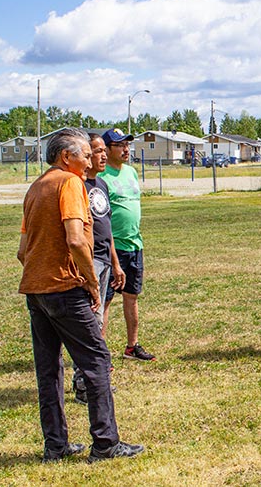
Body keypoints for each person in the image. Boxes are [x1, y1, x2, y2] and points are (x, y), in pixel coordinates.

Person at [17, 127, 144, 463]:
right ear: (66, 157)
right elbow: (75, 239)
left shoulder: (35, 187)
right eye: (85, 155)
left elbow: (22, 251)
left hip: (36, 289)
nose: (90, 162)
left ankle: (55, 446)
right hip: (66, 289)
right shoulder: (70, 183)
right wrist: (89, 281)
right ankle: (105, 443)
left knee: (48, 370)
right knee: (97, 360)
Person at [72, 133, 126, 404]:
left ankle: (94, 381)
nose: (103, 155)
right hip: (89, 261)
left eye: (104, 150)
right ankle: (85, 385)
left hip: (105, 260)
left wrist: (115, 263)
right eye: (96, 151)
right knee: (88, 325)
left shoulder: (101, 184)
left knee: (99, 321)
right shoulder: (77, 185)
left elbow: (107, 227)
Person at [98, 128, 156, 362]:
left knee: (131, 296)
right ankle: (100, 354)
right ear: (106, 149)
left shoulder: (131, 172)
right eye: (120, 145)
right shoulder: (101, 177)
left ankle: (132, 347)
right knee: (105, 300)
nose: (126, 149)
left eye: (127, 145)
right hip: (111, 248)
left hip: (134, 245)